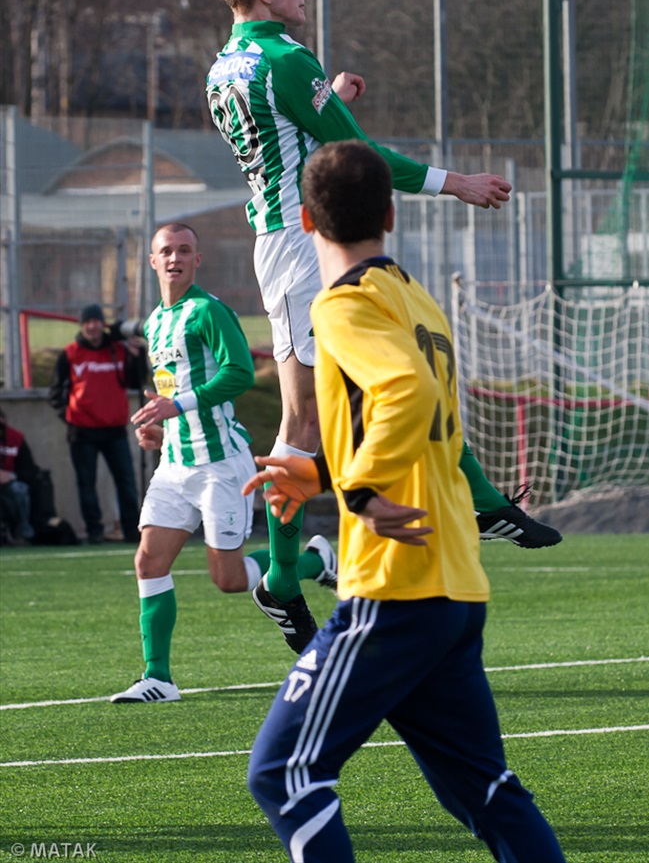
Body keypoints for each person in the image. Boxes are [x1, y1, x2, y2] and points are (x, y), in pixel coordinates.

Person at [207, 0, 560, 651]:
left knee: (305, 420)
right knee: (402, 368)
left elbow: (284, 141)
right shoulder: (283, 59)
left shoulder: (224, 66)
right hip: (312, 247)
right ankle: (478, 504)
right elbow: (354, 159)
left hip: (278, 243)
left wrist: (326, 99)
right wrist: (454, 182)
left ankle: (281, 576)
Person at [242, 141, 567, 863]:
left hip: (395, 585)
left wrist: (357, 489)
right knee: (485, 790)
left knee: (283, 774)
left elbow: (404, 395)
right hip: (452, 578)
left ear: (302, 219)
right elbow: (418, 422)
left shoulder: (345, 305)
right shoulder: (418, 300)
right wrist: (326, 475)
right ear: (391, 214)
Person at [110, 222, 337, 703]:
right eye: (166, 251)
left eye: (184, 250)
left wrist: (179, 407)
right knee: (148, 562)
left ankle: (318, 559)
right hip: (173, 465)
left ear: (197, 260)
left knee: (228, 579)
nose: (174, 258)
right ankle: (159, 677)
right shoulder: (154, 322)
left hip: (220, 465)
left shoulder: (208, 311)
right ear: (152, 261)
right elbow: (175, 391)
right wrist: (163, 428)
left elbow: (239, 373)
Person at [48, 304, 148, 544]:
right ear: (81, 326)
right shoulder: (70, 353)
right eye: (87, 322)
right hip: (81, 432)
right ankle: (94, 532)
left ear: (102, 324)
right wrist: (69, 415)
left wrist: (138, 358)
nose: (92, 326)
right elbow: (55, 392)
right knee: (86, 484)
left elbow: (136, 382)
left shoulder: (118, 350)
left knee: (126, 482)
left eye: (96, 322)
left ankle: (130, 531)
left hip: (114, 430)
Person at [0, 408, 37, 544]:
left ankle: (23, 534)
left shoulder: (15, 438)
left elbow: (29, 470)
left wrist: (11, 475)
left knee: (20, 489)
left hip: (10, 484)